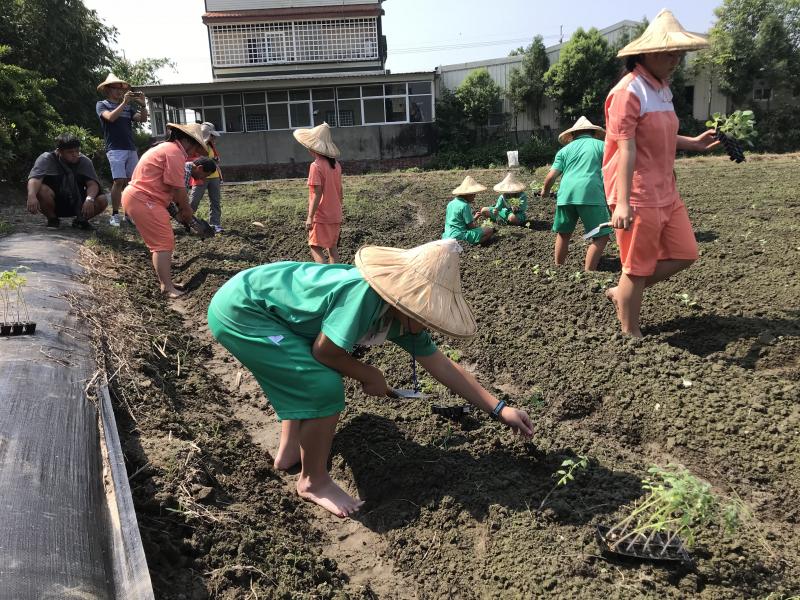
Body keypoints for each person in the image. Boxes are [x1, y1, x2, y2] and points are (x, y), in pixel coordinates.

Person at [207, 239, 533, 518]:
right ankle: (313, 480)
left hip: (271, 314)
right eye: (425, 313)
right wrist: (368, 374)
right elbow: (325, 352)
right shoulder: (366, 295)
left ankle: (290, 450)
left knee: (305, 371)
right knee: (321, 385)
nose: (427, 322)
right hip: (244, 312)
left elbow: (442, 366)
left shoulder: (404, 319)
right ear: (405, 297)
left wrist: (499, 409)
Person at [603, 10, 720, 337]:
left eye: (679, 54)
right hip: (638, 192)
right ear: (647, 52)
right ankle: (631, 334)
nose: (676, 60)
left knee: (685, 252)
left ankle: (624, 290)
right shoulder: (628, 91)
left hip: (665, 189)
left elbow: (659, 136)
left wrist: (693, 143)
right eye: (670, 53)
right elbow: (626, 148)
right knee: (637, 267)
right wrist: (623, 203)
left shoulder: (661, 88)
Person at [121, 123, 207, 298]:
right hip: (145, 200)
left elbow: (171, 188)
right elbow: (179, 189)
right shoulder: (174, 153)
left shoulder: (167, 149)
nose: (195, 153)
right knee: (162, 244)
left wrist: (181, 211)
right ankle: (167, 287)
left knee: (163, 242)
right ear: (188, 141)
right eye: (196, 147)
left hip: (141, 198)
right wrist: (187, 211)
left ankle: (167, 282)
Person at [541, 116, 611, 271]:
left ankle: (559, 268)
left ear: (573, 135)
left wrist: (545, 191)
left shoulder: (564, 151)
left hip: (565, 195)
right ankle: (589, 272)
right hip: (590, 194)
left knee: (563, 234)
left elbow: (551, 176)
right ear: (593, 133)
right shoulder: (602, 146)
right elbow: (612, 171)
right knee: (601, 236)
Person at [96, 73, 148, 227]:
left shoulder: (128, 108)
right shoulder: (102, 104)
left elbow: (143, 119)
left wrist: (143, 105)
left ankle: (129, 214)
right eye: (116, 88)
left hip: (130, 148)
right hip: (115, 148)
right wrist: (124, 103)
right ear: (107, 89)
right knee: (119, 180)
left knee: (133, 183)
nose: (119, 91)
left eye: (121, 88)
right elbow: (110, 118)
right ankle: (115, 214)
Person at [26, 133, 108, 230]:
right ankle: (52, 219)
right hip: (55, 202)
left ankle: (81, 220)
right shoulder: (46, 159)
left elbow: (92, 184)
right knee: (41, 190)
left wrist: (89, 199)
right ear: (59, 151)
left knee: (102, 200)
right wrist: (31, 196)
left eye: (77, 151)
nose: (75, 155)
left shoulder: (84, 161)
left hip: (79, 203)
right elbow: (35, 178)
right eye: (70, 152)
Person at [293, 123, 343, 264]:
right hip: (335, 213)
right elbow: (340, 191)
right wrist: (339, 210)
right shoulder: (336, 165)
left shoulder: (315, 166)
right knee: (332, 248)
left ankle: (323, 279)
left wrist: (310, 217)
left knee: (314, 246)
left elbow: (317, 193)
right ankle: (336, 278)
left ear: (312, 147)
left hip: (322, 215)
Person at [189, 122, 224, 233]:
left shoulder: (211, 146)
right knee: (194, 201)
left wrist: (216, 160)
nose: (214, 138)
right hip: (200, 177)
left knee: (215, 201)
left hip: (214, 176)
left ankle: (215, 224)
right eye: (212, 135)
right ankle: (186, 221)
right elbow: (195, 161)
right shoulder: (196, 146)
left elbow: (215, 159)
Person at [442, 176, 494, 245]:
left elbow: (458, 221)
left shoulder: (450, 203)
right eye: (474, 194)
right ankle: (469, 243)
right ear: (468, 194)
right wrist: (480, 228)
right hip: (459, 236)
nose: (474, 196)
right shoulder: (465, 205)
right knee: (489, 230)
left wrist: (474, 218)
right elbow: (470, 227)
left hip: (446, 236)